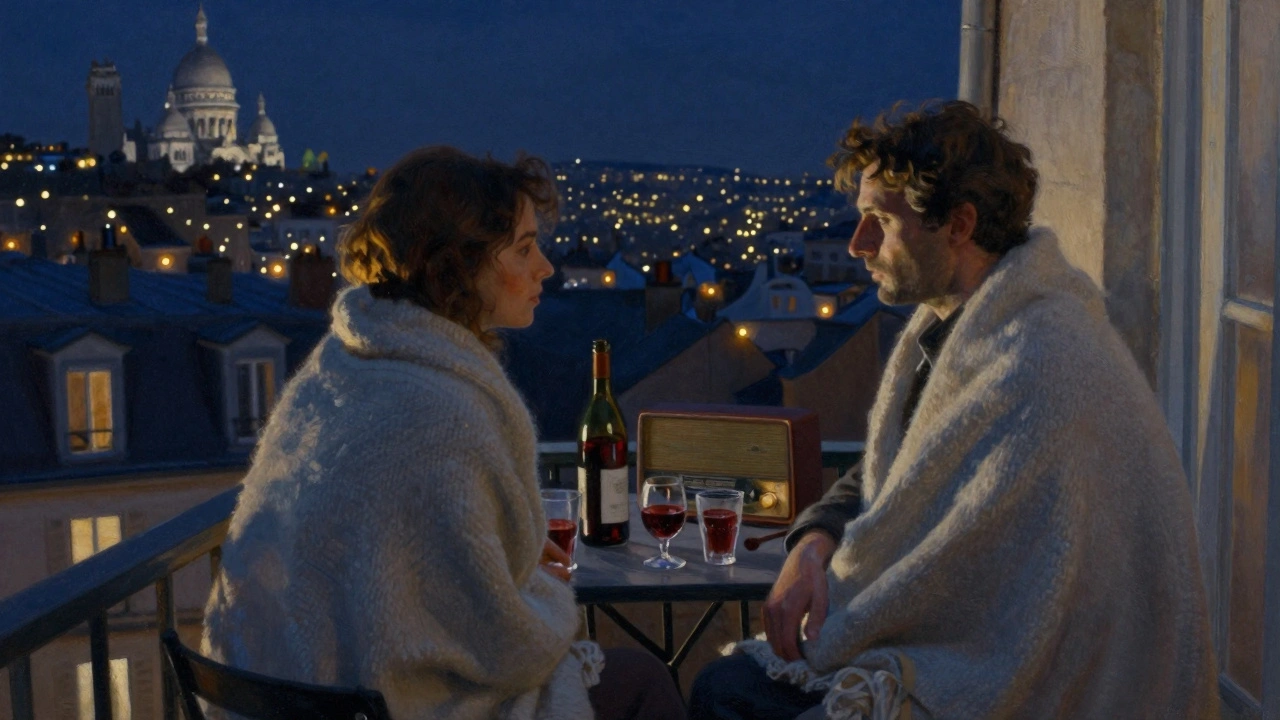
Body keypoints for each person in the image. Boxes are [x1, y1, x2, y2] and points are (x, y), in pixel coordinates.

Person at [689, 102, 1219, 719]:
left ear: (958, 225)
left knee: (733, 698)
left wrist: (856, 612)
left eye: (878, 222)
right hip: (968, 649)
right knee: (725, 688)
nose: (858, 246)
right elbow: (905, 474)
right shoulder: (955, 331)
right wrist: (812, 540)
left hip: (1032, 678)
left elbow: (973, 574)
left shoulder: (1039, 359)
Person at [202, 146, 685, 720]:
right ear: (461, 263)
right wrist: (540, 589)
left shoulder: (339, 371)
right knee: (645, 683)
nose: (546, 268)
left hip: (272, 697)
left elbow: (399, 567)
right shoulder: (441, 416)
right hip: (379, 707)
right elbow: (512, 646)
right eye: (526, 249)